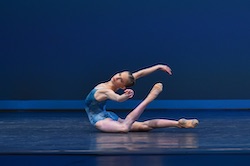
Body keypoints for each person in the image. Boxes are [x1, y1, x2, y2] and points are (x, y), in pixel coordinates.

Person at [84, 64, 199, 133]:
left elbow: (140, 74)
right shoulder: (104, 90)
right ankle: (149, 99)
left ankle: (179, 123)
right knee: (124, 128)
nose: (116, 77)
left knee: (143, 126)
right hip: (100, 119)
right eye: (119, 74)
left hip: (105, 116)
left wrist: (158, 67)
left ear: (123, 86)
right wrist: (125, 95)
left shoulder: (111, 88)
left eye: (120, 79)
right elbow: (118, 99)